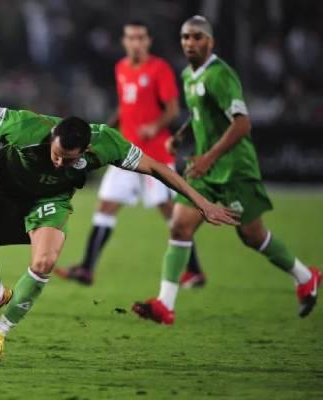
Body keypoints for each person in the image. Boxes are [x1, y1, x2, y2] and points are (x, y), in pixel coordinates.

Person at [0, 107, 238, 363]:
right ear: (52, 137)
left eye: (69, 159)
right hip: (6, 193)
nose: (59, 163)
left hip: (50, 201)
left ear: (86, 149)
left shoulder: (105, 142)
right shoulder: (26, 127)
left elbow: (156, 167)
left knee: (44, 262)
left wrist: (202, 203)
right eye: (56, 154)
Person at [132, 16, 321, 325]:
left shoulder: (221, 75)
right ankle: (165, 305)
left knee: (252, 235)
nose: (190, 43)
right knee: (179, 226)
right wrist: (180, 136)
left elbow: (242, 123)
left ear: (210, 42)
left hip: (234, 169)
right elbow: (199, 114)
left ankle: (305, 276)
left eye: (197, 37)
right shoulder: (189, 75)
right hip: (204, 171)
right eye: (185, 37)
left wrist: (209, 157)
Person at [55, 21, 205, 288]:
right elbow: (125, 108)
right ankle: (87, 268)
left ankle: (194, 270)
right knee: (105, 206)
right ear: (124, 42)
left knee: (172, 214)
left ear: (148, 41)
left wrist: (154, 127)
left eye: (140, 38)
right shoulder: (121, 68)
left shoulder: (159, 69)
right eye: (131, 38)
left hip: (154, 156)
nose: (136, 43)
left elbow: (172, 110)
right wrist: (102, 131)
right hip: (124, 153)